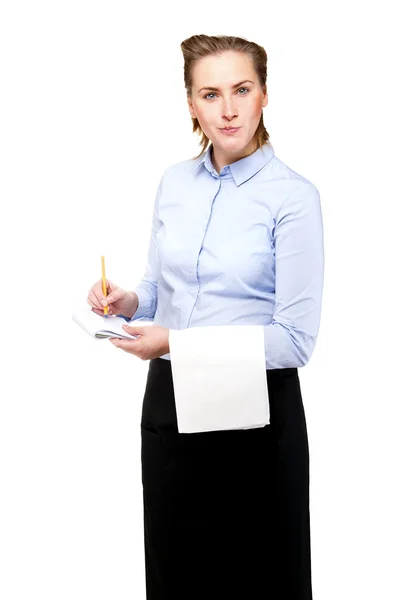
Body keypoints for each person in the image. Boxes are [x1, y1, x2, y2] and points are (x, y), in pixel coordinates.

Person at [87, 34, 324, 600]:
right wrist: (126, 302)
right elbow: (155, 287)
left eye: (241, 90)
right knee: (175, 576)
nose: (228, 109)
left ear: (264, 94)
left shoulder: (293, 198)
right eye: (210, 94)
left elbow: (295, 342)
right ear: (191, 103)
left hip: (256, 414)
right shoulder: (173, 183)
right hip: (169, 402)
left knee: (259, 579)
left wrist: (177, 342)